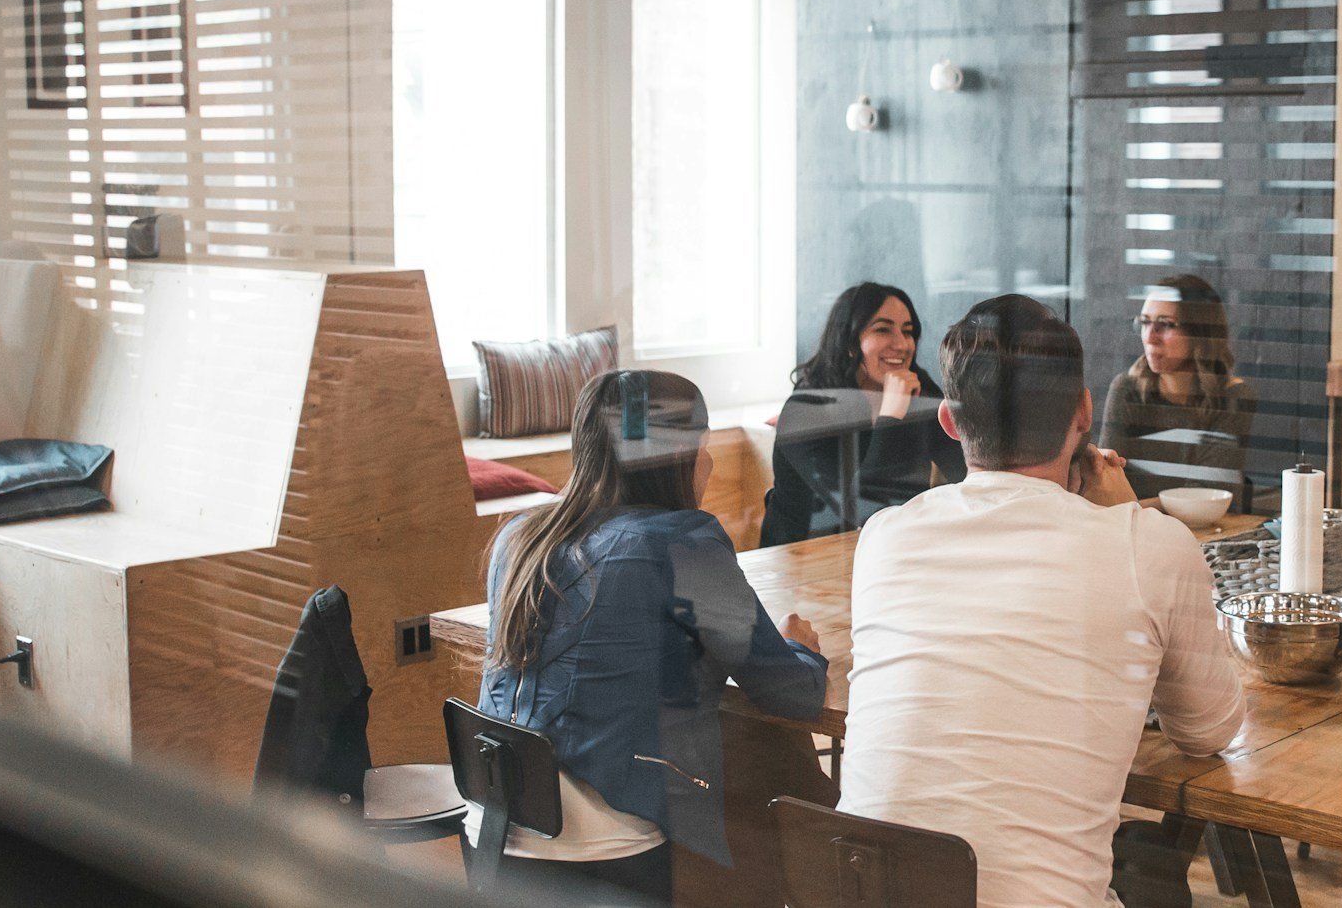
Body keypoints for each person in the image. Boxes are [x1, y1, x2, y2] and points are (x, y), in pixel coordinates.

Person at [838, 294, 1243, 908]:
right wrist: (1125, 517)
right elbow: (1209, 730)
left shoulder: (884, 536)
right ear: (1084, 413)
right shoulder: (1149, 545)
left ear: (949, 420)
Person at [474, 370, 837, 906]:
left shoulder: (518, 538)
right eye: (705, 447)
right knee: (773, 765)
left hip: (495, 829)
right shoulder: (681, 544)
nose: (709, 463)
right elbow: (792, 694)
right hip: (603, 848)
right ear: (681, 455)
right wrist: (802, 648)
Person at [762, 283, 967, 546]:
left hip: (891, 548)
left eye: (908, 332)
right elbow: (863, 511)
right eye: (883, 330)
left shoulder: (919, 390)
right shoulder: (805, 411)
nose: (902, 344)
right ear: (849, 342)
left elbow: (967, 470)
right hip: (803, 558)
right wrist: (892, 415)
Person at [1098, 273, 1258, 505]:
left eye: (1165, 325)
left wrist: (1129, 507)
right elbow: (1105, 481)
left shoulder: (1233, 397)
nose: (1150, 337)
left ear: (1199, 334)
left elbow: (1207, 494)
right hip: (1134, 530)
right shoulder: (1127, 389)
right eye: (1144, 322)